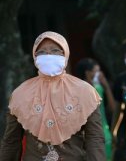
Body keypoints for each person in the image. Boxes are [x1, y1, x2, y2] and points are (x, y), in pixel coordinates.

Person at [0, 31, 105, 161]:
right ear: (34, 56)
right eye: (42, 52)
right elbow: (11, 141)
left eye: (55, 51)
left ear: (65, 54)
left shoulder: (85, 92)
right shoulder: (20, 94)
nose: (48, 55)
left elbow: (94, 139)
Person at [75, 58, 115, 161]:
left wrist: (105, 86)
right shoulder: (83, 90)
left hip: (103, 135)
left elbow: (113, 108)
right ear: (88, 73)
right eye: (96, 71)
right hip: (95, 137)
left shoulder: (98, 87)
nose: (100, 74)